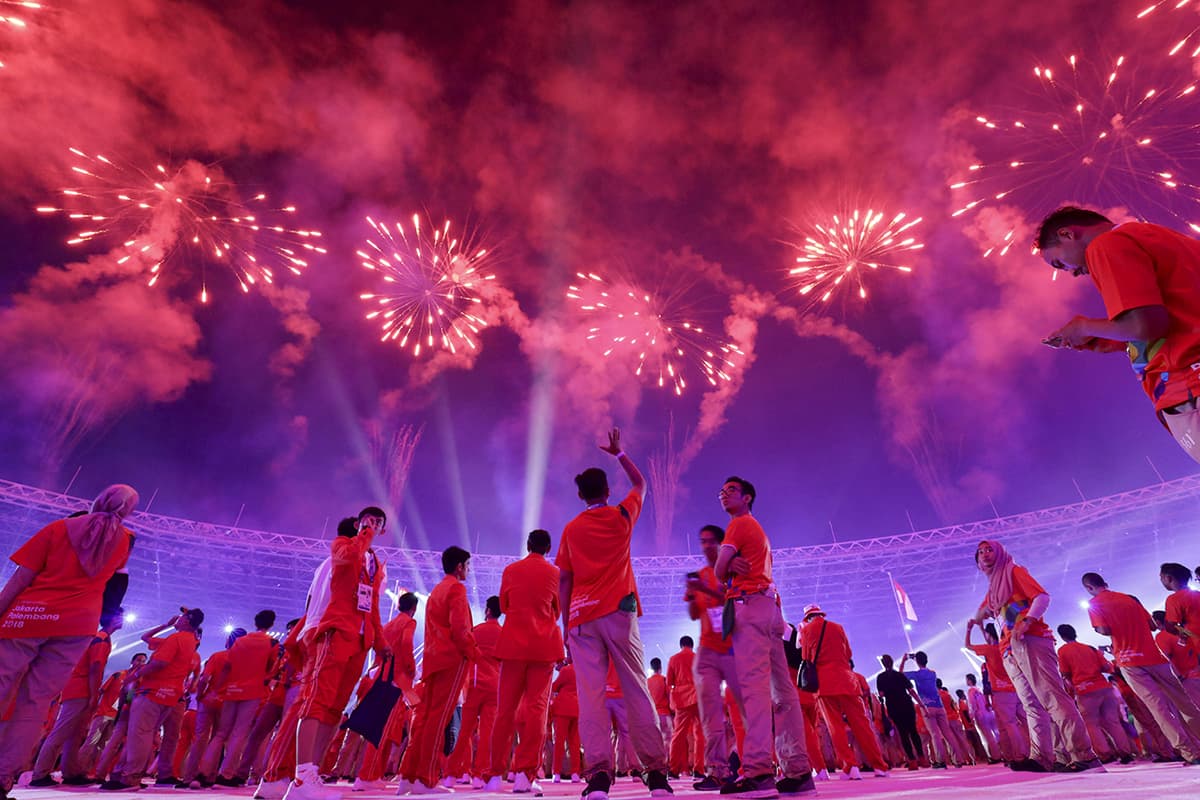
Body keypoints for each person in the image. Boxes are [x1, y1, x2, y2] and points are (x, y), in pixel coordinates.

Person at [0, 484, 138, 798]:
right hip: (78, 626)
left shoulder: (58, 528)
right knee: (35, 702)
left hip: (28, 617)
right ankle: (3, 776)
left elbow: (21, 578)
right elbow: (117, 586)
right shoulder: (124, 542)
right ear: (128, 511)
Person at [555, 429, 671, 800]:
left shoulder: (572, 529)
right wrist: (620, 453)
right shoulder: (622, 515)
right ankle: (655, 775)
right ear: (607, 490)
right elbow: (641, 483)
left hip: (581, 620)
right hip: (619, 613)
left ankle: (599, 779)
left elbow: (565, 580)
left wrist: (564, 626)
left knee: (591, 698)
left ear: (579, 496)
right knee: (637, 690)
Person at [1037, 207, 1200, 463]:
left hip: (1190, 384)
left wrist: (1084, 326)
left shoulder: (1106, 245)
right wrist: (1113, 339)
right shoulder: (1157, 236)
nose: (1071, 271)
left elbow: (1147, 326)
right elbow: (1176, 317)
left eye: (1059, 263)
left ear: (1067, 234)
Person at [714, 475, 813, 797]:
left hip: (749, 608)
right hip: (770, 609)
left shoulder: (739, 524)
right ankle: (797, 773)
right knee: (782, 695)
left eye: (731, 491)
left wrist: (726, 567)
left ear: (747, 497)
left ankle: (758, 773)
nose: (724, 495)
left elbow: (718, 571)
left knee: (754, 692)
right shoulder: (758, 530)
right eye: (722, 492)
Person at [971, 540, 1101, 773]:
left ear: (1000, 552)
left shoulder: (1014, 571)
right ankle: (1045, 757)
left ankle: (1084, 756)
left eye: (989, 549)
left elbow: (1041, 597)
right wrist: (981, 617)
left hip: (1031, 638)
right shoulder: (994, 587)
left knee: (1051, 697)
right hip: (1009, 646)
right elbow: (983, 612)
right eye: (980, 552)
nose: (985, 554)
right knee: (1032, 703)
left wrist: (1028, 621)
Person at [288, 508, 389, 800]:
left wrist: (379, 641)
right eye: (369, 520)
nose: (374, 525)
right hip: (337, 631)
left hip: (360, 641)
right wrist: (363, 536)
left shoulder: (374, 562)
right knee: (317, 702)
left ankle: (313, 774)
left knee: (335, 708)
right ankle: (301, 777)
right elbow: (346, 560)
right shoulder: (344, 546)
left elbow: (373, 606)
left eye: (379, 523)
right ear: (358, 523)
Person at [1083, 571, 1200, 763]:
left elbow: (1104, 630)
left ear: (1089, 588)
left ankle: (1190, 753)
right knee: (1184, 702)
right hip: (1154, 657)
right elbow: (1152, 626)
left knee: (1159, 709)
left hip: (1129, 661)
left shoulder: (1095, 605)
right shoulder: (1130, 599)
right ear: (1105, 582)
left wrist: (1102, 629)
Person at [398, 546, 480, 795]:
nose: (468, 571)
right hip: (451, 659)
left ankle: (408, 776)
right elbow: (460, 629)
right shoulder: (456, 588)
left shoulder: (437, 590)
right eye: (467, 566)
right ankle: (426, 778)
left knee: (424, 719)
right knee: (438, 719)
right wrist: (475, 653)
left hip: (433, 660)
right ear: (459, 567)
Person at [489, 529, 564, 796]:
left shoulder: (511, 570)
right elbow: (557, 609)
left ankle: (495, 774)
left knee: (504, 711)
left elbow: (506, 605)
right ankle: (524, 774)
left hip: (513, 646)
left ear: (528, 545)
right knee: (536, 711)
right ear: (548, 548)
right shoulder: (555, 573)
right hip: (543, 647)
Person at [103, 606, 205, 791]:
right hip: (171, 696)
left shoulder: (176, 638)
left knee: (138, 734)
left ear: (187, 621)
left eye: (181, 617)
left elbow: (160, 662)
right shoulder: (190, 643)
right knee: (145, 735)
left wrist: (134, 676)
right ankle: (124, 774)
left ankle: (129, 778)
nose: (178, 619)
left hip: (153, 692)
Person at [28, 607, 122, 786]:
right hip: (81, 689)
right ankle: (40, 774)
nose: (122, 620)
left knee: (75, 734)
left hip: (78, 689)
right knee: (61, 732)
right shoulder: (100, 639)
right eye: (120, 616)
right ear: (113, 619)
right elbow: (95, 667)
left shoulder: (99, 638)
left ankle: (70, 772)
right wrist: (94, 695)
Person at [800, 605, 888, 780]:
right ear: (821, 614)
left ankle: (850, 767)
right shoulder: (837, 627)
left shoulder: (807, 630)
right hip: (847, 681)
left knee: (836, 727)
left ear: (808, 618)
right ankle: (879, 766)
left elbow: (806, 658)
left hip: (825, 684)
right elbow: (848, 653)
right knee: (862, 725)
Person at [684, 524, 742, 791]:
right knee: (710, 713)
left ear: (722, 544)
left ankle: (757, 766)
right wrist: (692, 597)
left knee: (746, 710)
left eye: (711, 541)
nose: (706, 546)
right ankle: (716, 770)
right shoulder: (702, 574)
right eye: (702, 541)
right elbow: (696, 615)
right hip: (707, 649)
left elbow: (730, 598)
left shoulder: (732, 569)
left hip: (734, 647)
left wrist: (704, 590)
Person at [202, 609, 279, 786]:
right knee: (239, 734)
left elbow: (228, 667)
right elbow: (271, 668)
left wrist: (218, 690)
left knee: (221, 734)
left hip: (231, 690)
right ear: (272, 624)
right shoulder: (272, 643)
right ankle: (226, 774)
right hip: (252, 692)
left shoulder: (240, 641)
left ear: (255, 622)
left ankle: (204, 772)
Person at [1055, 623, 1134, 764]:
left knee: (1091, 724)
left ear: (1062, 636)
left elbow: (1065, 673)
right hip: (1104, 687)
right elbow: (1106, 667)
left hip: (1085, 690)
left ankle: (1105, 754)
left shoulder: (1063, 651)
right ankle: (1126, 753)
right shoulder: (1089, 648)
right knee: (1113, 722)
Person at [447, 596, 501, 788]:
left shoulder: (476, 631)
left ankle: (451, 774)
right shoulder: (503, 634)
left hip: (474, 685)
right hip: (495, 688)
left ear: (487, 611)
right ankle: (480, 775)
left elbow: (464, 652)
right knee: (488, 734)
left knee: (464, 732)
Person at [964, 621, 1027, 761]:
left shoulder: (988, 650)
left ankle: (1020, 755)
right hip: (1015, 688)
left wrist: (969, 629)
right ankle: (1027, 752)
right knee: (1023, 722)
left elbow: (968, 645)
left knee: (1010, 724)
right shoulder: (1004, 646)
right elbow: (990, 640)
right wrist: (981, 628)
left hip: (1000, 691)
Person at [898, 652, 957, 768]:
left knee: (935, 735)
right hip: (939, 706)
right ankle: (957, 760)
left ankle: (941, 761)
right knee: (947, 734)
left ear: (917, 661)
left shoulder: (917, 675)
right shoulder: (933, 673)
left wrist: (904, 661)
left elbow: (900, 675)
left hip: (927, 706)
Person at [667, 636, 704, 779]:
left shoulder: (674, 659)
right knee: (699, 735)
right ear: (692, 645)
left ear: (681, 645)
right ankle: (699, 770)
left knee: (678, 735)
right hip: (698, 698)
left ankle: (673, 770)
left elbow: (670, 682)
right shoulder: (698, 658)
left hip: (682, 699)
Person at [876, 655, 920, 770]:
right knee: (913, 731)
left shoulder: (880, 677)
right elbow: (911, 690)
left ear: (883, 664)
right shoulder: (899, 675)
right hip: (907, 704)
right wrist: (921, 704)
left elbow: (881, 694)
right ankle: (922, 758)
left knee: (903, 733)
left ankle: (912, 760)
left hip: (893, 707)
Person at [1152, 609, 1200, 706]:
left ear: (1157, 622)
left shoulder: (1161, 636)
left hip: (1188, 679)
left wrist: (1178, 678)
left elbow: (1166, 659)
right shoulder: (1181, 629)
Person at [1161, 562, 1200, 663]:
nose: (1161, 581)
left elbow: (1170, 626)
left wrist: (1183, 631)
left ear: (1168, 578)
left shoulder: (1173, 599)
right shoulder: (1197, 594)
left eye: (1161, 577)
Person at [550, 663, 581, 783]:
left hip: (563, 708)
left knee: (559, 742)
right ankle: (575, 773)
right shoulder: (583, 670)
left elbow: (555, 686)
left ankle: (556, 773)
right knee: (575, 743)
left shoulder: (566, 670)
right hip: (577, 708)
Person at [963, 673, 1000, 762]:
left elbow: (972, 705)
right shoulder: (980, 689)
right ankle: (1003, 753)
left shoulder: (971, 691)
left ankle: (995, 756)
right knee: (996, 733)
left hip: (980, 715)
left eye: (967, 679)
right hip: (989, 713)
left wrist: (972, 717)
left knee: (988, 736)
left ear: (969, 680)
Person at [647, 658, 672, 754]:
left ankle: (657, 765)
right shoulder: (664, 680)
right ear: (660, 667)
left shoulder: (647, 682)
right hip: (665, 714)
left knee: (654, 742)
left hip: (652, 716)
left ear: (651, 668)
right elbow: (670, 697)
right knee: (668, 740)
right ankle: (666, 763)